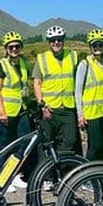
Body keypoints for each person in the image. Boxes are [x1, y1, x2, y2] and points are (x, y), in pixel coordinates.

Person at [0, 31, 32, 192]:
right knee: (4, 146)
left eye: (17, 46)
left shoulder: (23, 63)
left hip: (21, 110)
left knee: (24, 143)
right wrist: (2, 112)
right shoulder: (0, 65)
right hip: (5, 112)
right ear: (6, 48)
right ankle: (2, 180)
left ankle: (14, 175)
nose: (14, 49)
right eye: (11, 47)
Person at [33, 25, 79, 155]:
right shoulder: (42, 59)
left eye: (59, 39)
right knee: (46, 143)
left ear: (63, 40)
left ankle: (60, 170)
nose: (56, 42)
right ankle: (45, 174)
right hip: (49, 109)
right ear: (48, 42)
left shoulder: (73, 56)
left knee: (70, 141)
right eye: (53, 40)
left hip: (68, 108)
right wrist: (42, 105)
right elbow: (37, 83)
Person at [75, 29, 103, 162]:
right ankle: (85, 175)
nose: (98, 48)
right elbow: (78, 91)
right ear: (90, 46)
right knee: (95, 145)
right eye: (95, 45)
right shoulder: (84, 64)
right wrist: (80, 114)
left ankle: (102, 175)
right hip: (91, 113)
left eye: (100, 45)